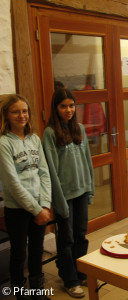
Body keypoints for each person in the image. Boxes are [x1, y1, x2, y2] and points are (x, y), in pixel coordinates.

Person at [42, 88, 94, 298]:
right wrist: (58, 201)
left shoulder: (79, 128)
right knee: (66, 239)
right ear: (56, 108)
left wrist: (89, 189)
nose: (68, 110)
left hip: (81, 191)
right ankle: (69, 279)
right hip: (64, 196)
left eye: (71, 105)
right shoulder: (50, 133)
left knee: (81, 234)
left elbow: (88, 163)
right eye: (63, 106)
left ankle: (81, 272)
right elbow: (51, 171)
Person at [0, 94, 52, 300]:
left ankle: (38, 292)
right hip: (18, 209)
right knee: (19, 253)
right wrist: (36, 210)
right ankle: (20, 294)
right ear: (6, 115)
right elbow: (12, 183)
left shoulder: (34, 138)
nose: (21, 115)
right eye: (15, 111)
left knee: (37, 250)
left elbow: (44, 172)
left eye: (24, 111)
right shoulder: (4, 143)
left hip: (40, 205)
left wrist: (45, 203)